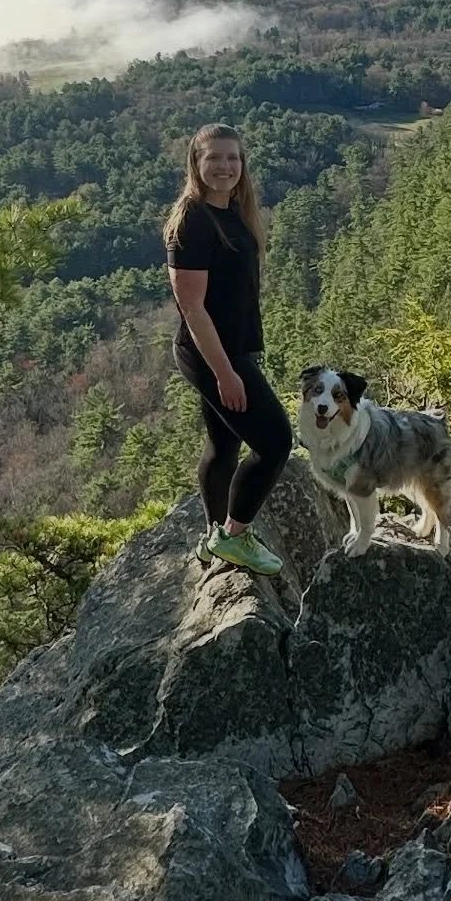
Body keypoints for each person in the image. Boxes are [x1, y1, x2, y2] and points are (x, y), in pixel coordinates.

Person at [164, 122, 293, 576]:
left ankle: (212, 537)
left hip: (233, 348)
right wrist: (225, 373)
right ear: (196, 164)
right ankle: (234, 537)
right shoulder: (192, 221)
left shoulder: (233, 213)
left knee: (224, 445)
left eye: (232, 158)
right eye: (213, 158)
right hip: (211, 353)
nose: (224, 166)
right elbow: (193, 308)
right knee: (276, 441)